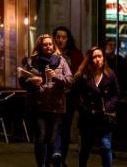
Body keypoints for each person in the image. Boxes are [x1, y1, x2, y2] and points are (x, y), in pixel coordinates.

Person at [19, 33, 73, 167]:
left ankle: (50, 161)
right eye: (45, 44)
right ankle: (42, 164)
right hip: (38, 105)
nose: (48, 47)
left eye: (50, 44)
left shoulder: (61, 61)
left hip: (56, 105)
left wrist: (55, 77)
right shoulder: (32, 61)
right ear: (40, 46)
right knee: (41, 137)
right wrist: (31, 80)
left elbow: (70, 81)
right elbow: (22, 81)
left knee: (52, 139)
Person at [73, 46, 120, 167]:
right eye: (95, 57)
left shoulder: (109, 74)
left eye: (100, 56)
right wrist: (85, 110)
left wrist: (108, 107)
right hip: (88, 117)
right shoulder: (82, 76)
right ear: (89, 59)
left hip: (104, 117)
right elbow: (75, 97)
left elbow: (116, 94)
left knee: (106, 146)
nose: (98, 59)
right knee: (86, 147)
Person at [52, 26, 83, 166]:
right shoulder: (50, 52)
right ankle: (54, 155)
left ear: (68, 39)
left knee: (65, 128)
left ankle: (61, 158)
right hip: (53, 97)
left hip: (69, 97)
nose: (60, 40)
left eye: (63, 37)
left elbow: (80, 76)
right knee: (55, 127)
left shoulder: (75, 54)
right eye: (58, 37)